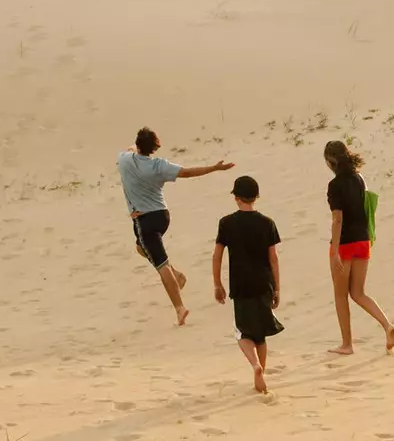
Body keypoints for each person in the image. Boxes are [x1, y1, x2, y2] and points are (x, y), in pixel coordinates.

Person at [118, 127, 234, 325]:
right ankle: (176, 274)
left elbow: (129, 149)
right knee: (141, 248)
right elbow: (187, 172)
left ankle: (179, 307)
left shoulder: (125, 160)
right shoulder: (159, 165)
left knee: (160, 263)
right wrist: (214, 168)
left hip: (144, 220)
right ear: (154, 148)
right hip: (162, 216)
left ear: (138, 145)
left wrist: (134, 147)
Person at [324, 139, 394, 355]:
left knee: (340, 295)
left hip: (345, 243)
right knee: (358, 292)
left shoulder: (335, 185)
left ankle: (347, 344)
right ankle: (387, 325)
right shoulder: (359, 179)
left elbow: (338, 219)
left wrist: (335, 250)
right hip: (363, 240)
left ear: (331, 161)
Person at [213, 175, 283, 394]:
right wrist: (278, 287)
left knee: (243, 332)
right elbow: (274, 258)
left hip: (240, 284)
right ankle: (260, 377)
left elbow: (217, 256)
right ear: (256, 197)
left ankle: (255, 365)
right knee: (260, 333)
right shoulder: (267, 223)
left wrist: (217, 284)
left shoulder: (226, 223)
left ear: (236, 197)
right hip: (264, 283)